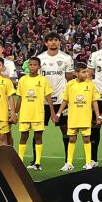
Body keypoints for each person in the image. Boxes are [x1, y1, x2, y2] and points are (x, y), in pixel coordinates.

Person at [30, 35, 75, 168]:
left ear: (59, 42)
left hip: (60, 100)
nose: (53, 42)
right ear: (46, 43)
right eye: (50, 40)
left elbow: (69, 79)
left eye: (56, 40)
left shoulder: (66, 58)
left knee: (65, 130)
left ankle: (68, 161)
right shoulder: (40, 58)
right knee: (38, 131)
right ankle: (35, 161)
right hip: (42, 101)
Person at [62, 62, 100, 170]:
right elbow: (65, 99)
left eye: (87, 71)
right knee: (72, 139)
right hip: (73, 117)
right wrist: (59, 113)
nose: (86, 74)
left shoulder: (91, 85)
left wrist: (98, 116)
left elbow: (94, 101)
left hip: (85, 117)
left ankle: (88, 162)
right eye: (84, 72)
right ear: (76, 73)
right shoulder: (70, 84)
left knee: (86, 139)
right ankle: (69, 163)